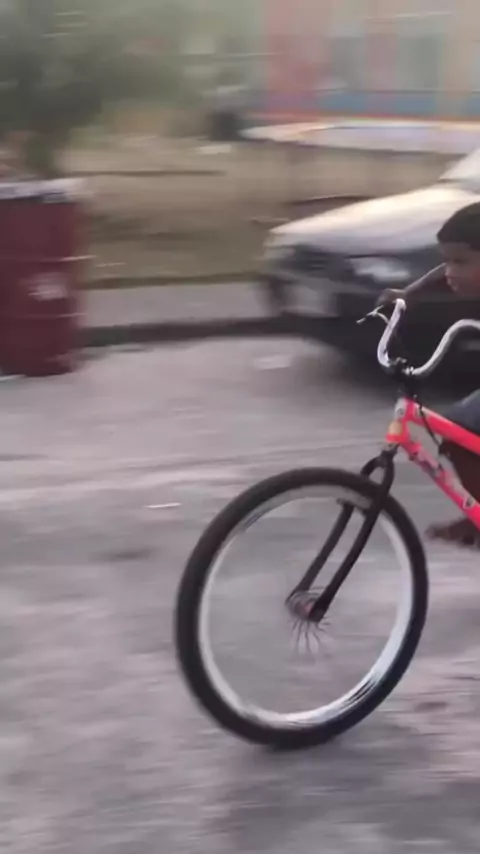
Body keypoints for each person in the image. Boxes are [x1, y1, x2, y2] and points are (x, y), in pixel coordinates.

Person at [377, 201, 480, 548]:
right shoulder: (454, 271)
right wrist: (408, 295)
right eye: (447, 260)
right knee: (458, 431)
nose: (450, 271)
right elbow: (441, 273)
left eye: (460, 262)